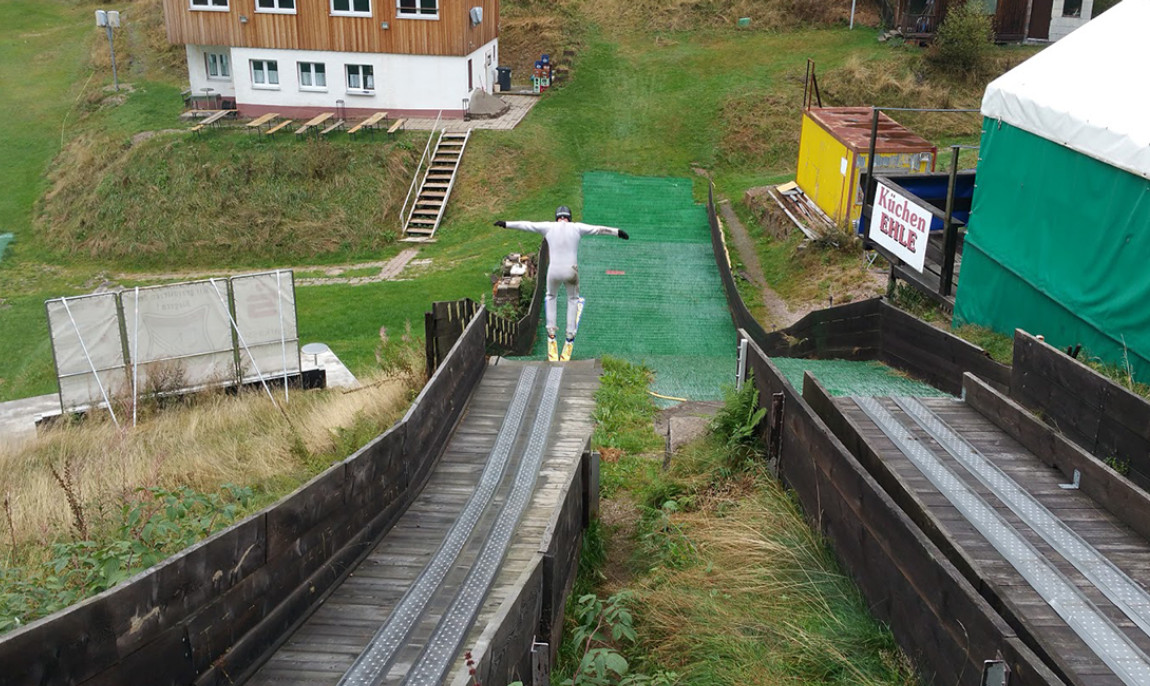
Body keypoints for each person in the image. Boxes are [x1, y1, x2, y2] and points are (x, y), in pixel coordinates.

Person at [495, 206, 629, 357]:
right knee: (573, 299)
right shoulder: (577, 227)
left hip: (554, 271)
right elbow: (598, 229)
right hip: (571, 270)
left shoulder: (548, 227)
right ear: (569, 217)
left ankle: (551, 332)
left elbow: (526, 225)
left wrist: (506, 223)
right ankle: (570, 335)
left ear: (557, 217)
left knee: (551, 296)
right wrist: (617, 232)